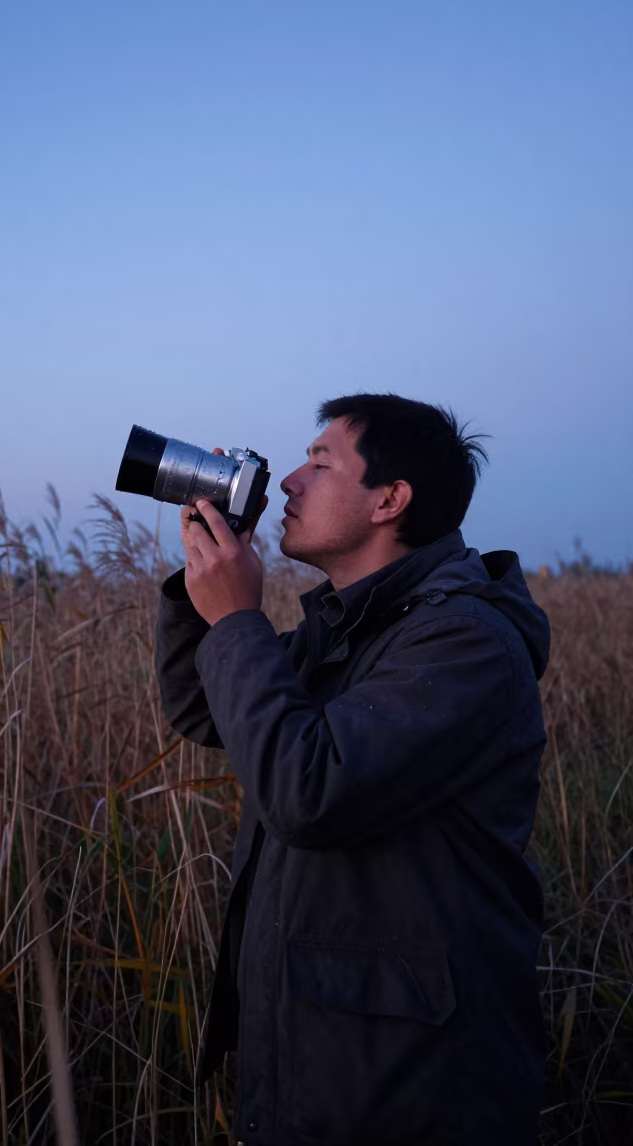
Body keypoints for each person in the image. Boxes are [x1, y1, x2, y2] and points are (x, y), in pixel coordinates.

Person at [154, 393, 550, 1146]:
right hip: (323, 1051)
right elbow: (206, 710)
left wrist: (237, 620)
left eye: (320, 463)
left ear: (389, 500)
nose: (289, 480)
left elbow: (307, 791)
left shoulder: (465, 643)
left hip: (411, 1084)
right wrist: (201, 588)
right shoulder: (349, 628)